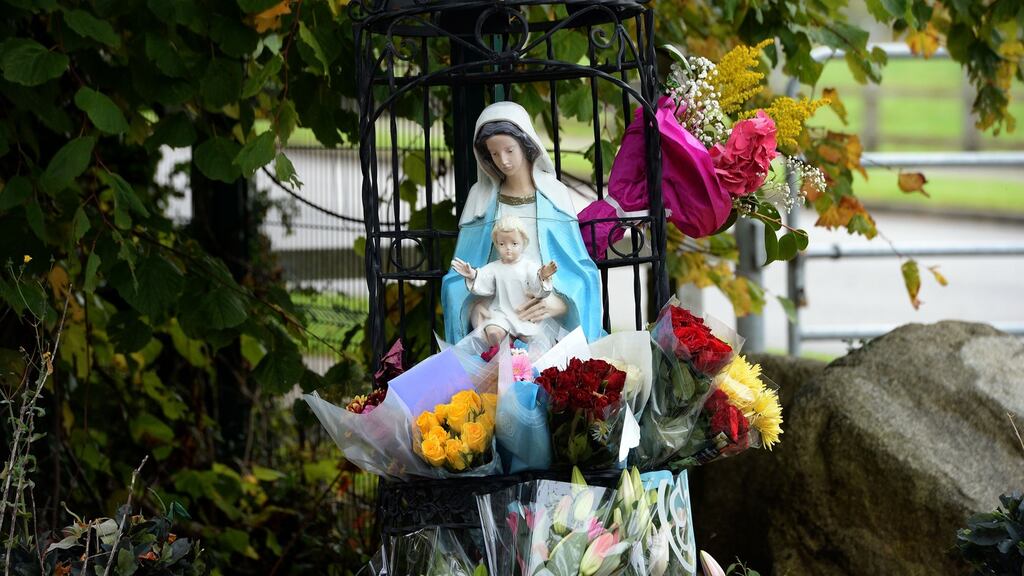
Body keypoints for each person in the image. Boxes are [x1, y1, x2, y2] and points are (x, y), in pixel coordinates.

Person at [441, 101, 603, 345]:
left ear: (526, 146)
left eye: (509, 150)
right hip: (494, 322)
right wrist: (473, 307)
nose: (503, 161)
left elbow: (582, 272)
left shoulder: (553, 195)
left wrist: (560, 303)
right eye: (494, 154)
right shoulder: (481, 199)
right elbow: (458, 275)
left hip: (545, 323)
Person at [451, 215, 558, 347]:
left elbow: (537, 289)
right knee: (493, 331)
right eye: (502, 244)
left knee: (535, 340)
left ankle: (520, 356)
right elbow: (483, 280)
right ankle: (498, 352)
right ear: (496, 244)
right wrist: (472, 274)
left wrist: (543, 276)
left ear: (523, 243)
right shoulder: (495, 267)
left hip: (522, 316)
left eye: (514, 243)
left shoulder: (528, 266)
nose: (508, 248)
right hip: (501, 313)